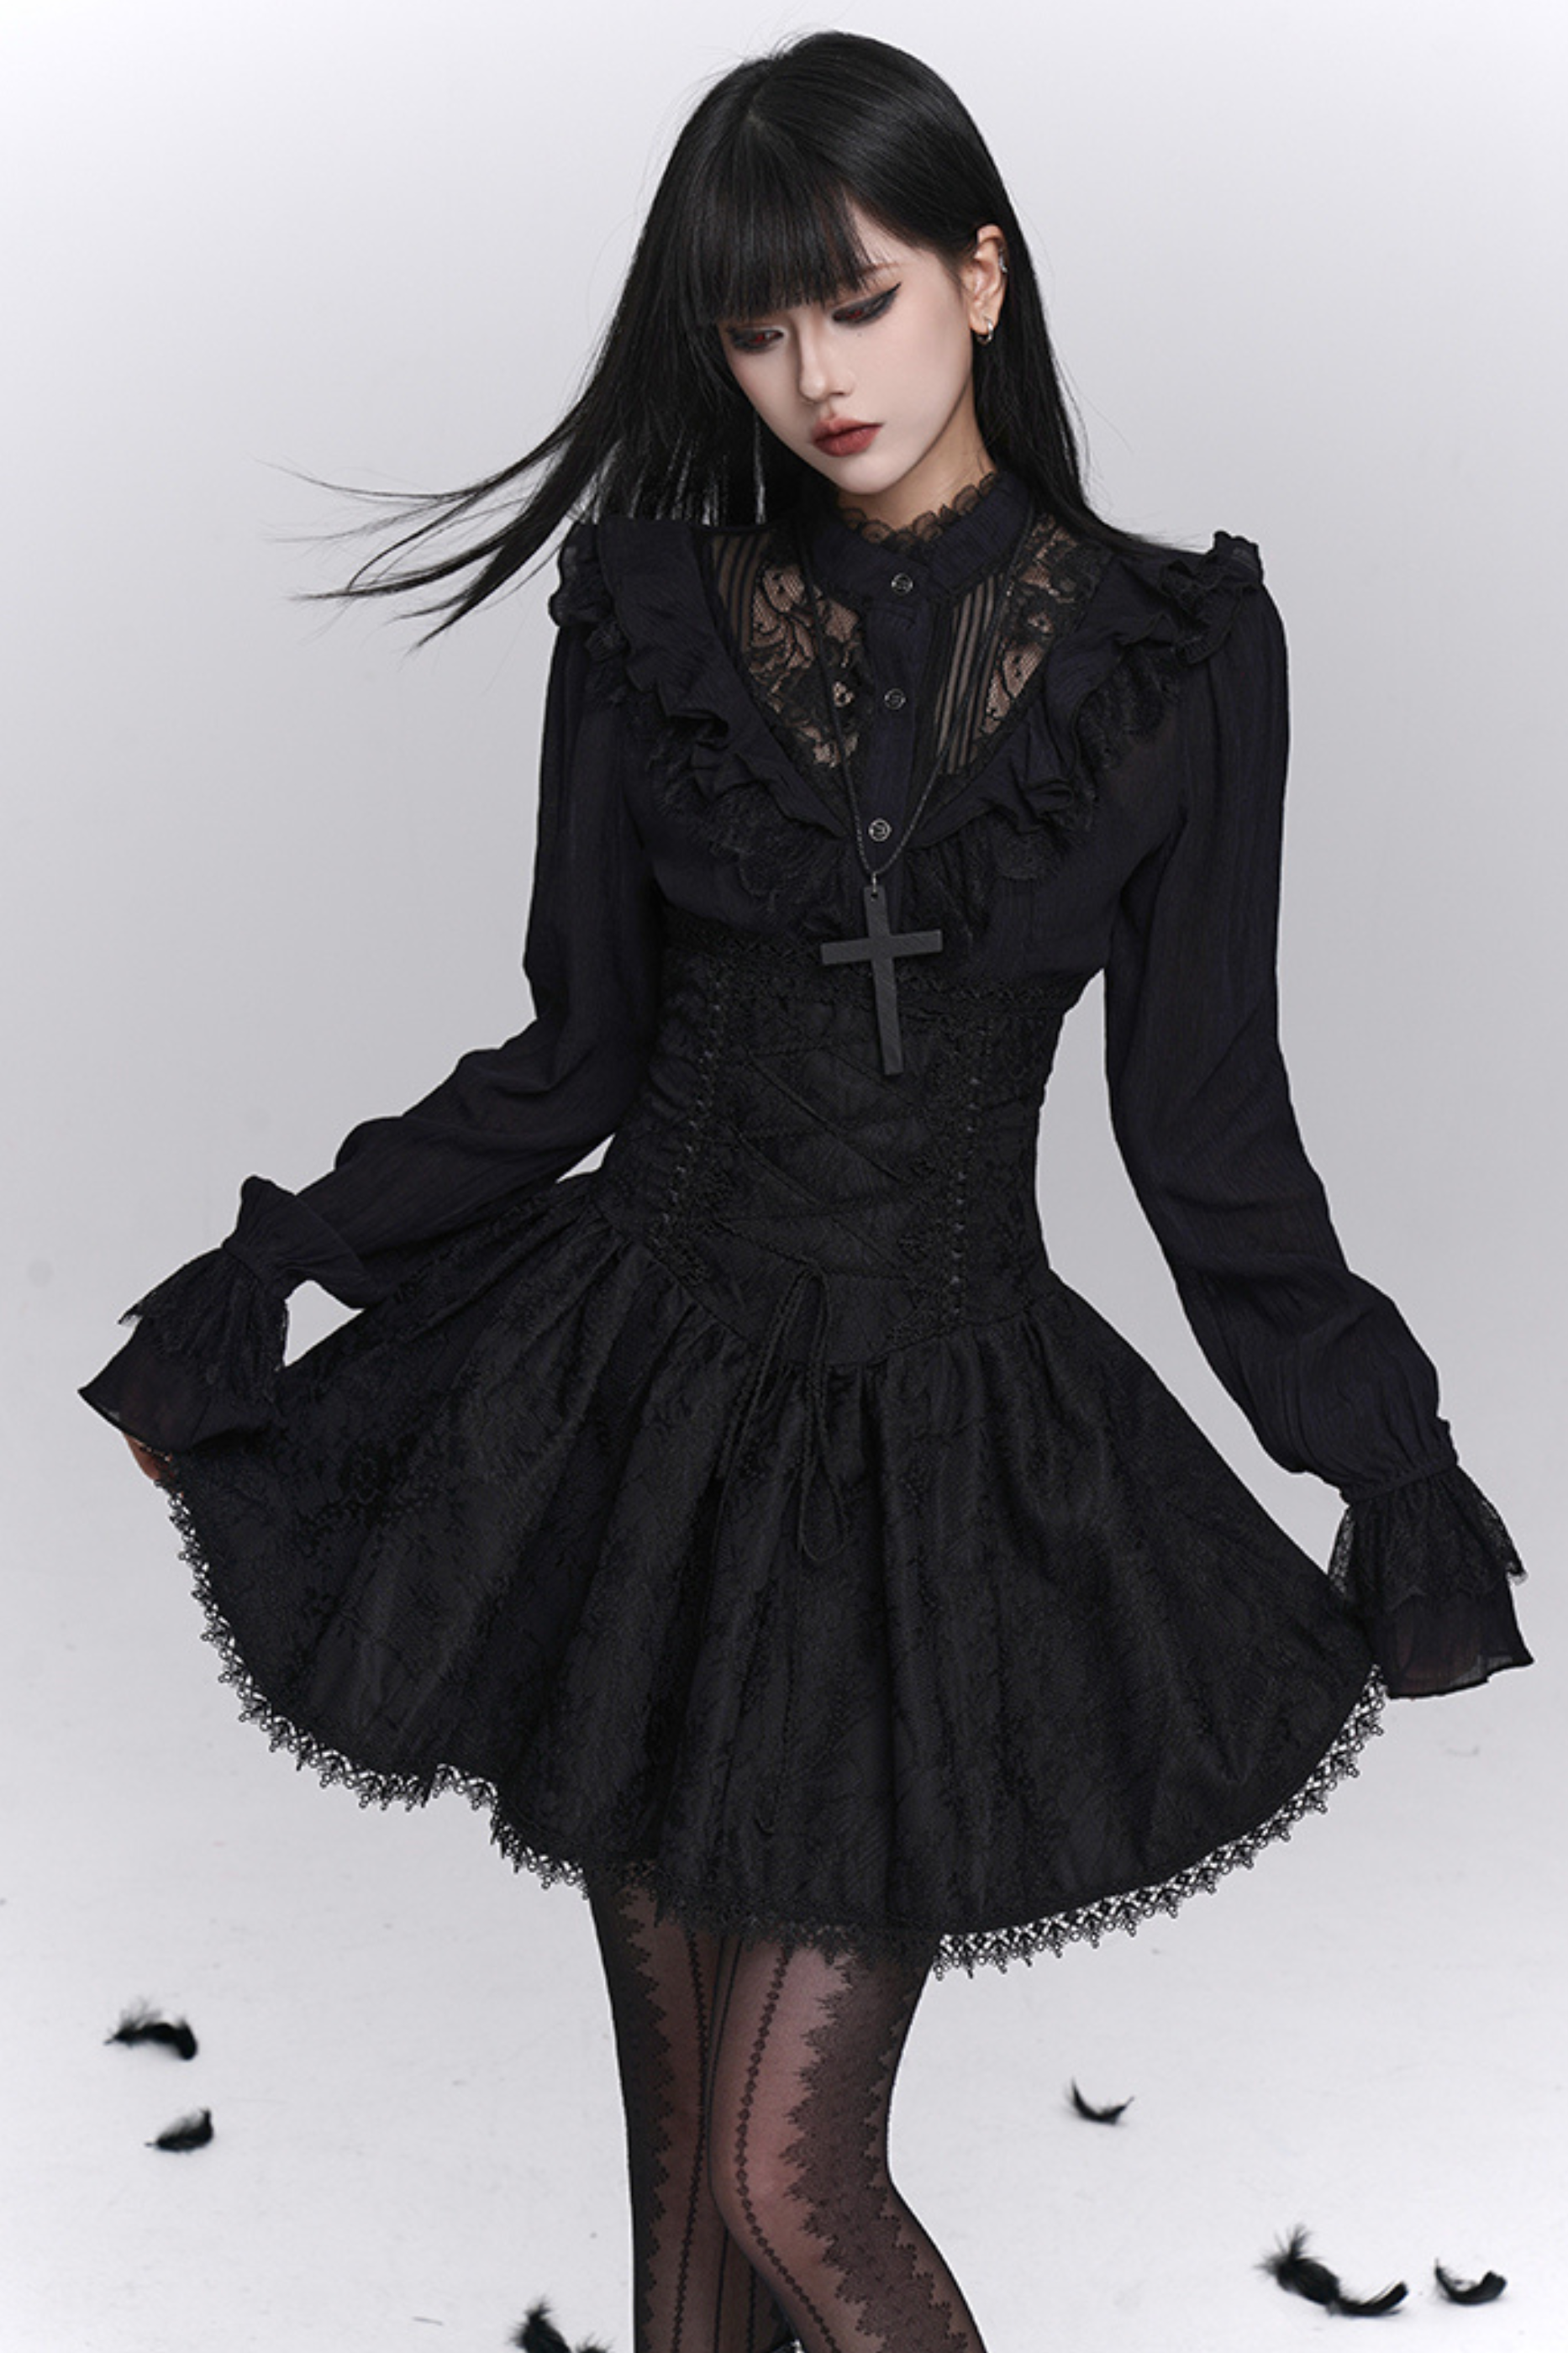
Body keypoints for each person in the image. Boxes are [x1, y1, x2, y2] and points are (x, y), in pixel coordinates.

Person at [81, 30, 1531, 2353]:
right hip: (637, 1419)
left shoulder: (1171, 659)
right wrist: (272, 1279)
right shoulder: (650, 620)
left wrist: (1388, 1457)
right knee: (686, 2214)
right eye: (757, 330)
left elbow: (1207, 1133)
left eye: (857, 301)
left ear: (983, 273)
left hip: (932, 1457)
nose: (815, 377)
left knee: (787, 2166)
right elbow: (570, 1055)